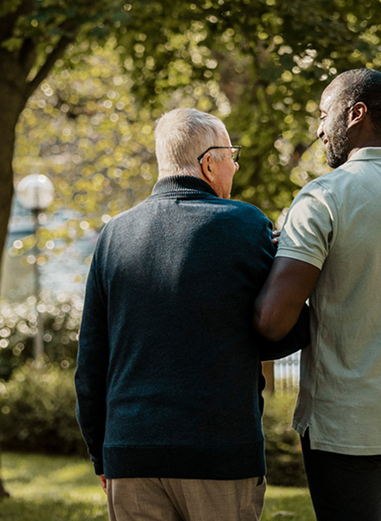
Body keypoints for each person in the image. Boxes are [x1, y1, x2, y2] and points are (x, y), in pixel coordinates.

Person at [75, 108, 307, 521]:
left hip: (130, 455)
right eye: (231, 155)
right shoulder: (245, 225)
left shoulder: (113, 235)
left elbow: (90, 363)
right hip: (219, 454)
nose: (235, 165)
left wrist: (103, 455)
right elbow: (282, 334)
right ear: (209, 162)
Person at [254, 69, 381, 521]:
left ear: (355, 114)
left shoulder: (323, 196)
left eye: (325, 116)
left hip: (346, 425)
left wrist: (277, 259)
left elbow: (272, 320)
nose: (319, 129)